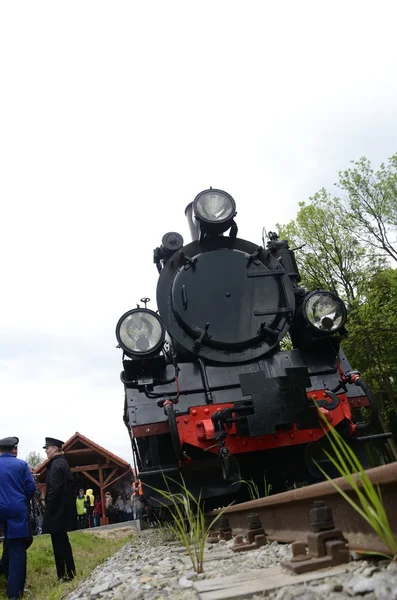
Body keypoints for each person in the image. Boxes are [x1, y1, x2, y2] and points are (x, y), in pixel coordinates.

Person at [0, 436, 36, 600]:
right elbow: (30, 488)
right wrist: (21, 501)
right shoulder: (21, 465)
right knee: (17, 550)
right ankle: (15, 593)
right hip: (16, 509)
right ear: (14, 449)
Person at [42, 437, 76, 581]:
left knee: (58, 544)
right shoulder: (63, 463)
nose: (46, 452)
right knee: (64, 542)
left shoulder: (56, 465)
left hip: (56, 512)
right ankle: (70, 572)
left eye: (47, 448)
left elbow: (54, 491)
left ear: (55, 448)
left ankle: (63, 575)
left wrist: (47, 508)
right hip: (63, 511)